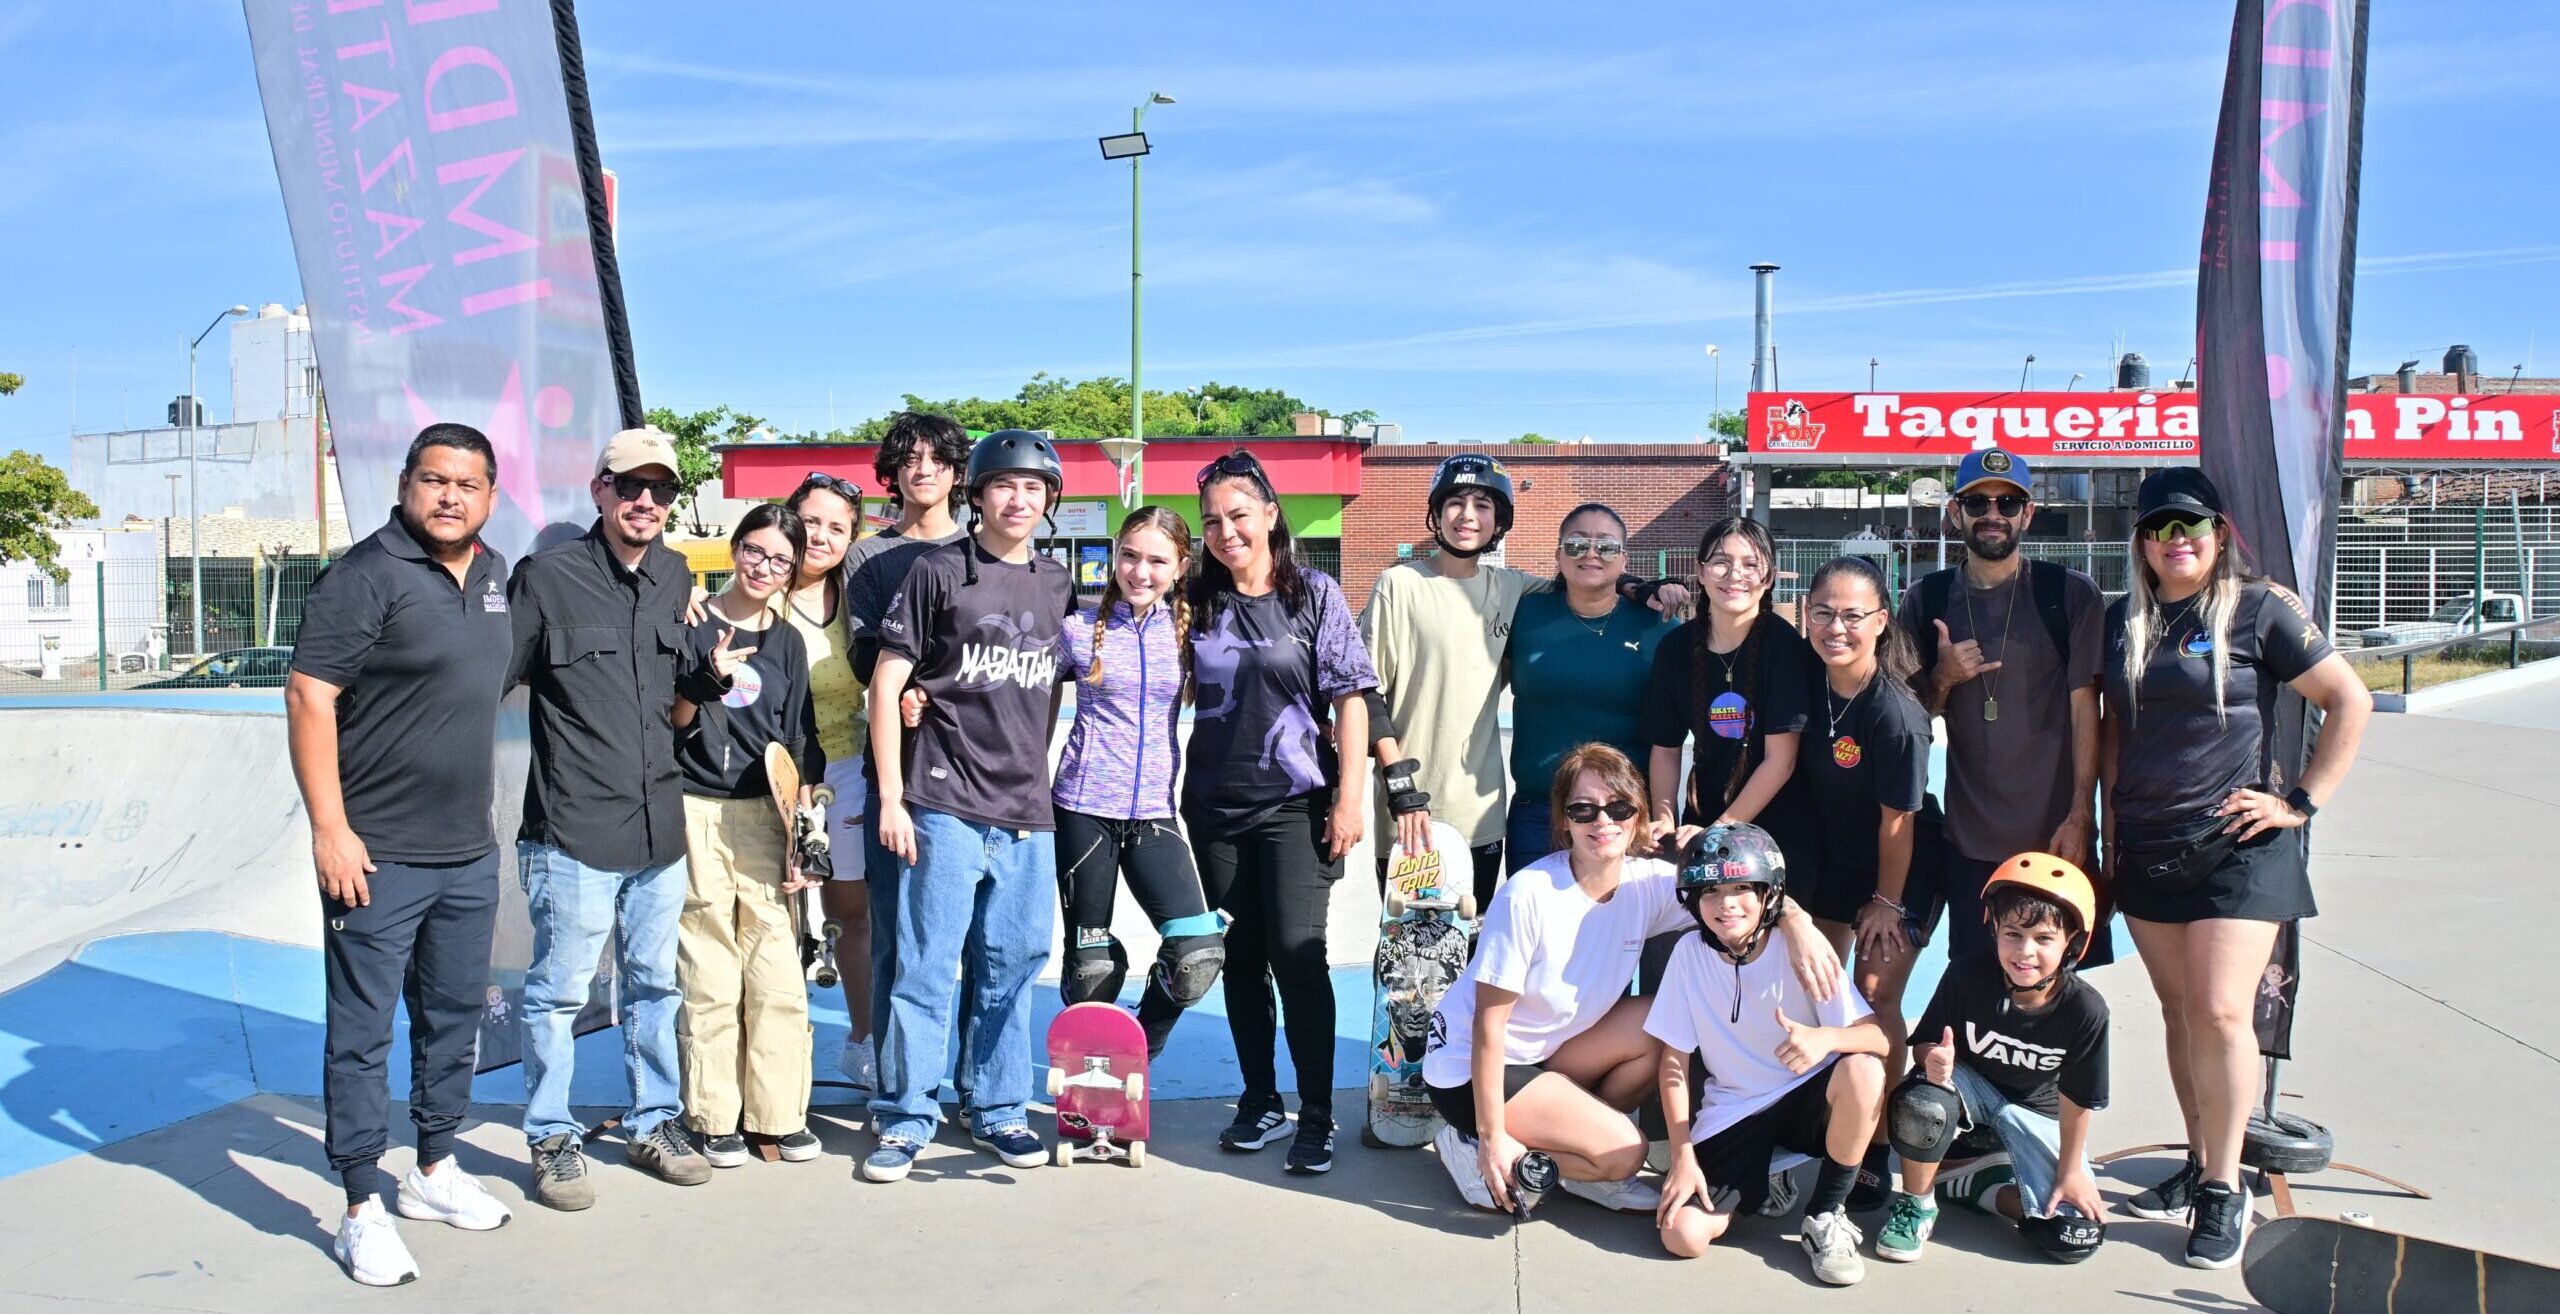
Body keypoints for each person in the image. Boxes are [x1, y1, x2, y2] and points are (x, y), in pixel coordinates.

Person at [2101, 467, 2370, 1268]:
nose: (2174, 540)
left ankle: (2225, 1186)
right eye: (2158, 527)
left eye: (2189, 525)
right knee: (2180, 1013)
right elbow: (2114, 734)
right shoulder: (2123, 621)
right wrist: (2110, 834)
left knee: (2222, 1011)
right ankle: (2197, 1160)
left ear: (2218, 534)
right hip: (2151, 846)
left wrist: (2301, 802)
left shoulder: (2259, 609)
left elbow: (2349, 699)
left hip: (2239, 849)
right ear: (2141, 543)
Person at [287, 424, 516, 1285]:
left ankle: (433, 1168)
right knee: (361, 1034)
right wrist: (330, 829)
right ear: (406, 485)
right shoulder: (365, 576)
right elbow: (308, 696)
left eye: (467, 483)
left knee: (453, 1017)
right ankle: (359, 1204)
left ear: (491, 495)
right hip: (376, 855)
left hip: (468, 852)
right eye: (434, 480)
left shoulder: (494, 574)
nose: (450, 496)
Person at [1424, 745, 1842, 1214]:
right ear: (1563, 820)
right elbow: (1487, 1027)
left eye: (1618, 808)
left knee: (1655, 1022)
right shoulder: (1528, 896)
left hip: (1545, 1052)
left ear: (1638, 815)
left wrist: (1796, 921)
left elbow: (1736, 891)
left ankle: (1587, 1159)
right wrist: (1491, 1135)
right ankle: (1474, 1146)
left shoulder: (1646, 884)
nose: (1602, 821)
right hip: (1470, 1069)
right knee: (1628, 1152)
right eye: (1583, 810)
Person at [863, 430, 1080, 1183]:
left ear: (1050, 499)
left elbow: (1064, 690)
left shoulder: (1058, 584)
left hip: (1026, 809)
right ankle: (904, 1117)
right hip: (942, 801)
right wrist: (892, 797)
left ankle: (996, 1108)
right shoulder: (937, 571)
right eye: (1003, 485)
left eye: (1034, 487)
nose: (1019, 499)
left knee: (1011, 968)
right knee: (926, 968)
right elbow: (886, 683)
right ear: (977, 494)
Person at [507, 426, 713, 1208]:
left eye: (661, 489)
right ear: (600, 490)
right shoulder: (547, 579)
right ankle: (551, 1138)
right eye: (630, 485)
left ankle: (655, 1122)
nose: (646, 501)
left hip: (660, 825)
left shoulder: (675, 575)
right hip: (573, 830)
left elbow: (681, 700)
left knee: (656, 988)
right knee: (558, 994)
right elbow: (485, 679)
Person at [1363, 458, 1683, 901]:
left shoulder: (1514, 589)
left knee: (1506, 932)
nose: (1468, 516)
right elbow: (1363, 693)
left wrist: (1639, 587)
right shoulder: (1406, 585)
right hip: (1429, 806)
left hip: (1493, 811)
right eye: (1455, 503)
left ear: (1499, 520)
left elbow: (1591, 576)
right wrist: (1397, 784)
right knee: (1432, 940)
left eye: (1482, 505)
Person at [1186, 449, 1374, 1174]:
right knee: (1240, 959)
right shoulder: (1194, 600)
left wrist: (1350, 799)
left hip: (1297, 804)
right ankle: (1260, 1098)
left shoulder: (1313, 594)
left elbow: (1350, 698)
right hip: (1214, 807)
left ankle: (1316, 1112)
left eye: (1238, 515)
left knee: (1298, 955)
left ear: (1269, 513)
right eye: (1211, 521)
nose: (1225, 531)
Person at [1648, 823, 1889, 1285]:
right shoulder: (1687, 955)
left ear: (1769, 895)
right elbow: (1673, 1062)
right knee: (1682, 1236)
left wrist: (1826, 1039)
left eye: (1742, 888)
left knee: (1864, 1070)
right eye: (1711, 891)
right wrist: (1682, 1155)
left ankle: (1825, 1214)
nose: (1726, 903)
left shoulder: (1802, 949)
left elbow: (1879, 1039)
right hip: (1736, 1108)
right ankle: (1767, 1174)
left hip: (1807, 1098)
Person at [1899, 447, 2112, 964]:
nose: (1993, 514)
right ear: (1956, 513)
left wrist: (2081, 816)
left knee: (2056, 994)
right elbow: (1907, 719)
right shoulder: (1926, 600)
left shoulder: (2069, 596)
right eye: (1977, 503)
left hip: (2057, 840)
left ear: (2028, 514)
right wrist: (1944, 678)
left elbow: (2088, 711)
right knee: (1975, 988)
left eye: (2008, 503)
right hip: (1970, 845)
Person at [671, 504, 826, 1168]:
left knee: (776, 970)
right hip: (695, 807)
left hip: (767, 814)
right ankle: (713, 1116)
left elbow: (798, 744)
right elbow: (671, 720)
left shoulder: (788, 643)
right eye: (756, 552)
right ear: (735, 550)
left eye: (781, 561)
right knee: (708, 969)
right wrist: (705, 676)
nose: (765, 568)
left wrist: (804, 836)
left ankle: (780, 1114)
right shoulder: (691, 621)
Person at [1878, 853, 2111, 1266]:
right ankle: (1917, 1203)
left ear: (2073, 943)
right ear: (1994, 930)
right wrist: (1933, 1059)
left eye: (2043, 938)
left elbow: (2078, 1100)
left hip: (2035, 1112)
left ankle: (1976, 1185)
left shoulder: (2086, 1010)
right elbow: (1926, 1044)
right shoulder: (1966, 974)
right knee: (1922, 1101)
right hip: (1970, 1091)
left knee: (2072, 1235)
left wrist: (2071, 1171)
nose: (2025, 951)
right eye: (2013, 934)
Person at [1051, 507, 1224, 1058]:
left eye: (1156, 560)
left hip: (1153, 812)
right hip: (1082, 811)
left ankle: (1138, 1046)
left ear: (1180, 567)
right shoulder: (1077, 630)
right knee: (1091, 966)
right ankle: (1089, 1068)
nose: (1140, 571)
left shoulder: (1193, 634)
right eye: (1129, 556)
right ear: (1114, 556)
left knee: (1197, 951)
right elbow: (1011, 688)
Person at [1795, 555, 1941, 1206]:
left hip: (1903, 866)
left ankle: (1876, 1148)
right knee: (1818, 989)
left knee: (1875, 995)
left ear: (1881, 621)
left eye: (1853, 616)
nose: (1837, 628)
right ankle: (1821, 1118)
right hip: (1835, 858)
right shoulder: (1808, 679)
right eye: (1823, 613)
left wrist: (1886, 902)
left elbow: (1898, 823)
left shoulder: (1896, 715)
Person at [839, 411, 973, 1093]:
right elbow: (867, 655)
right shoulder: (868, 556)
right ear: (891, 471)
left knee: (977, 943)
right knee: (895, 932)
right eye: (909, 458)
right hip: (894, 768)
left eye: (937, 459)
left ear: (957, 471)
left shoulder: (983, 547)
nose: (923, 470)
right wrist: (906, 691)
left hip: (976, 770)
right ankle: (899, 1087)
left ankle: (979, 1086)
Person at [1502, 505, 1680, 873]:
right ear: (1558, 555)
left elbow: (1673, 732)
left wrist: (1663, 814)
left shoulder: (1659, 626)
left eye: (1607, 546)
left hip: (1626, 815)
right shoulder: (1524, 614)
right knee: (1534, 911)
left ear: (1624, 559)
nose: (1591, 553)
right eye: (1577, 544)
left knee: (1627, 912)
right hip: (1539, 814)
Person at [775, 471, 876, 1092]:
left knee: (851, 914)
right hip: (772, 774)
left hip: (847, 767)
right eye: (810, 520)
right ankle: (777, 1058)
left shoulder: (857, 595)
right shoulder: (755, 589)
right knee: (778, 917)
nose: (821, 536)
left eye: (837, 527)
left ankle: (863, 1042)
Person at [1642, 516, 1818, 871]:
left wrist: (1718, 832)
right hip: (1703, 821)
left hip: (1778, 832)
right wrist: (1664, 820)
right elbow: (1666, 747)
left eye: (1751, 564)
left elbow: (1780, 761)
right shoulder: (1675, 648)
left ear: (1769, 578)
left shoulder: (1785, 649)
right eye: (1721, 562)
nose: (1735, 574)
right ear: (1701, 572)